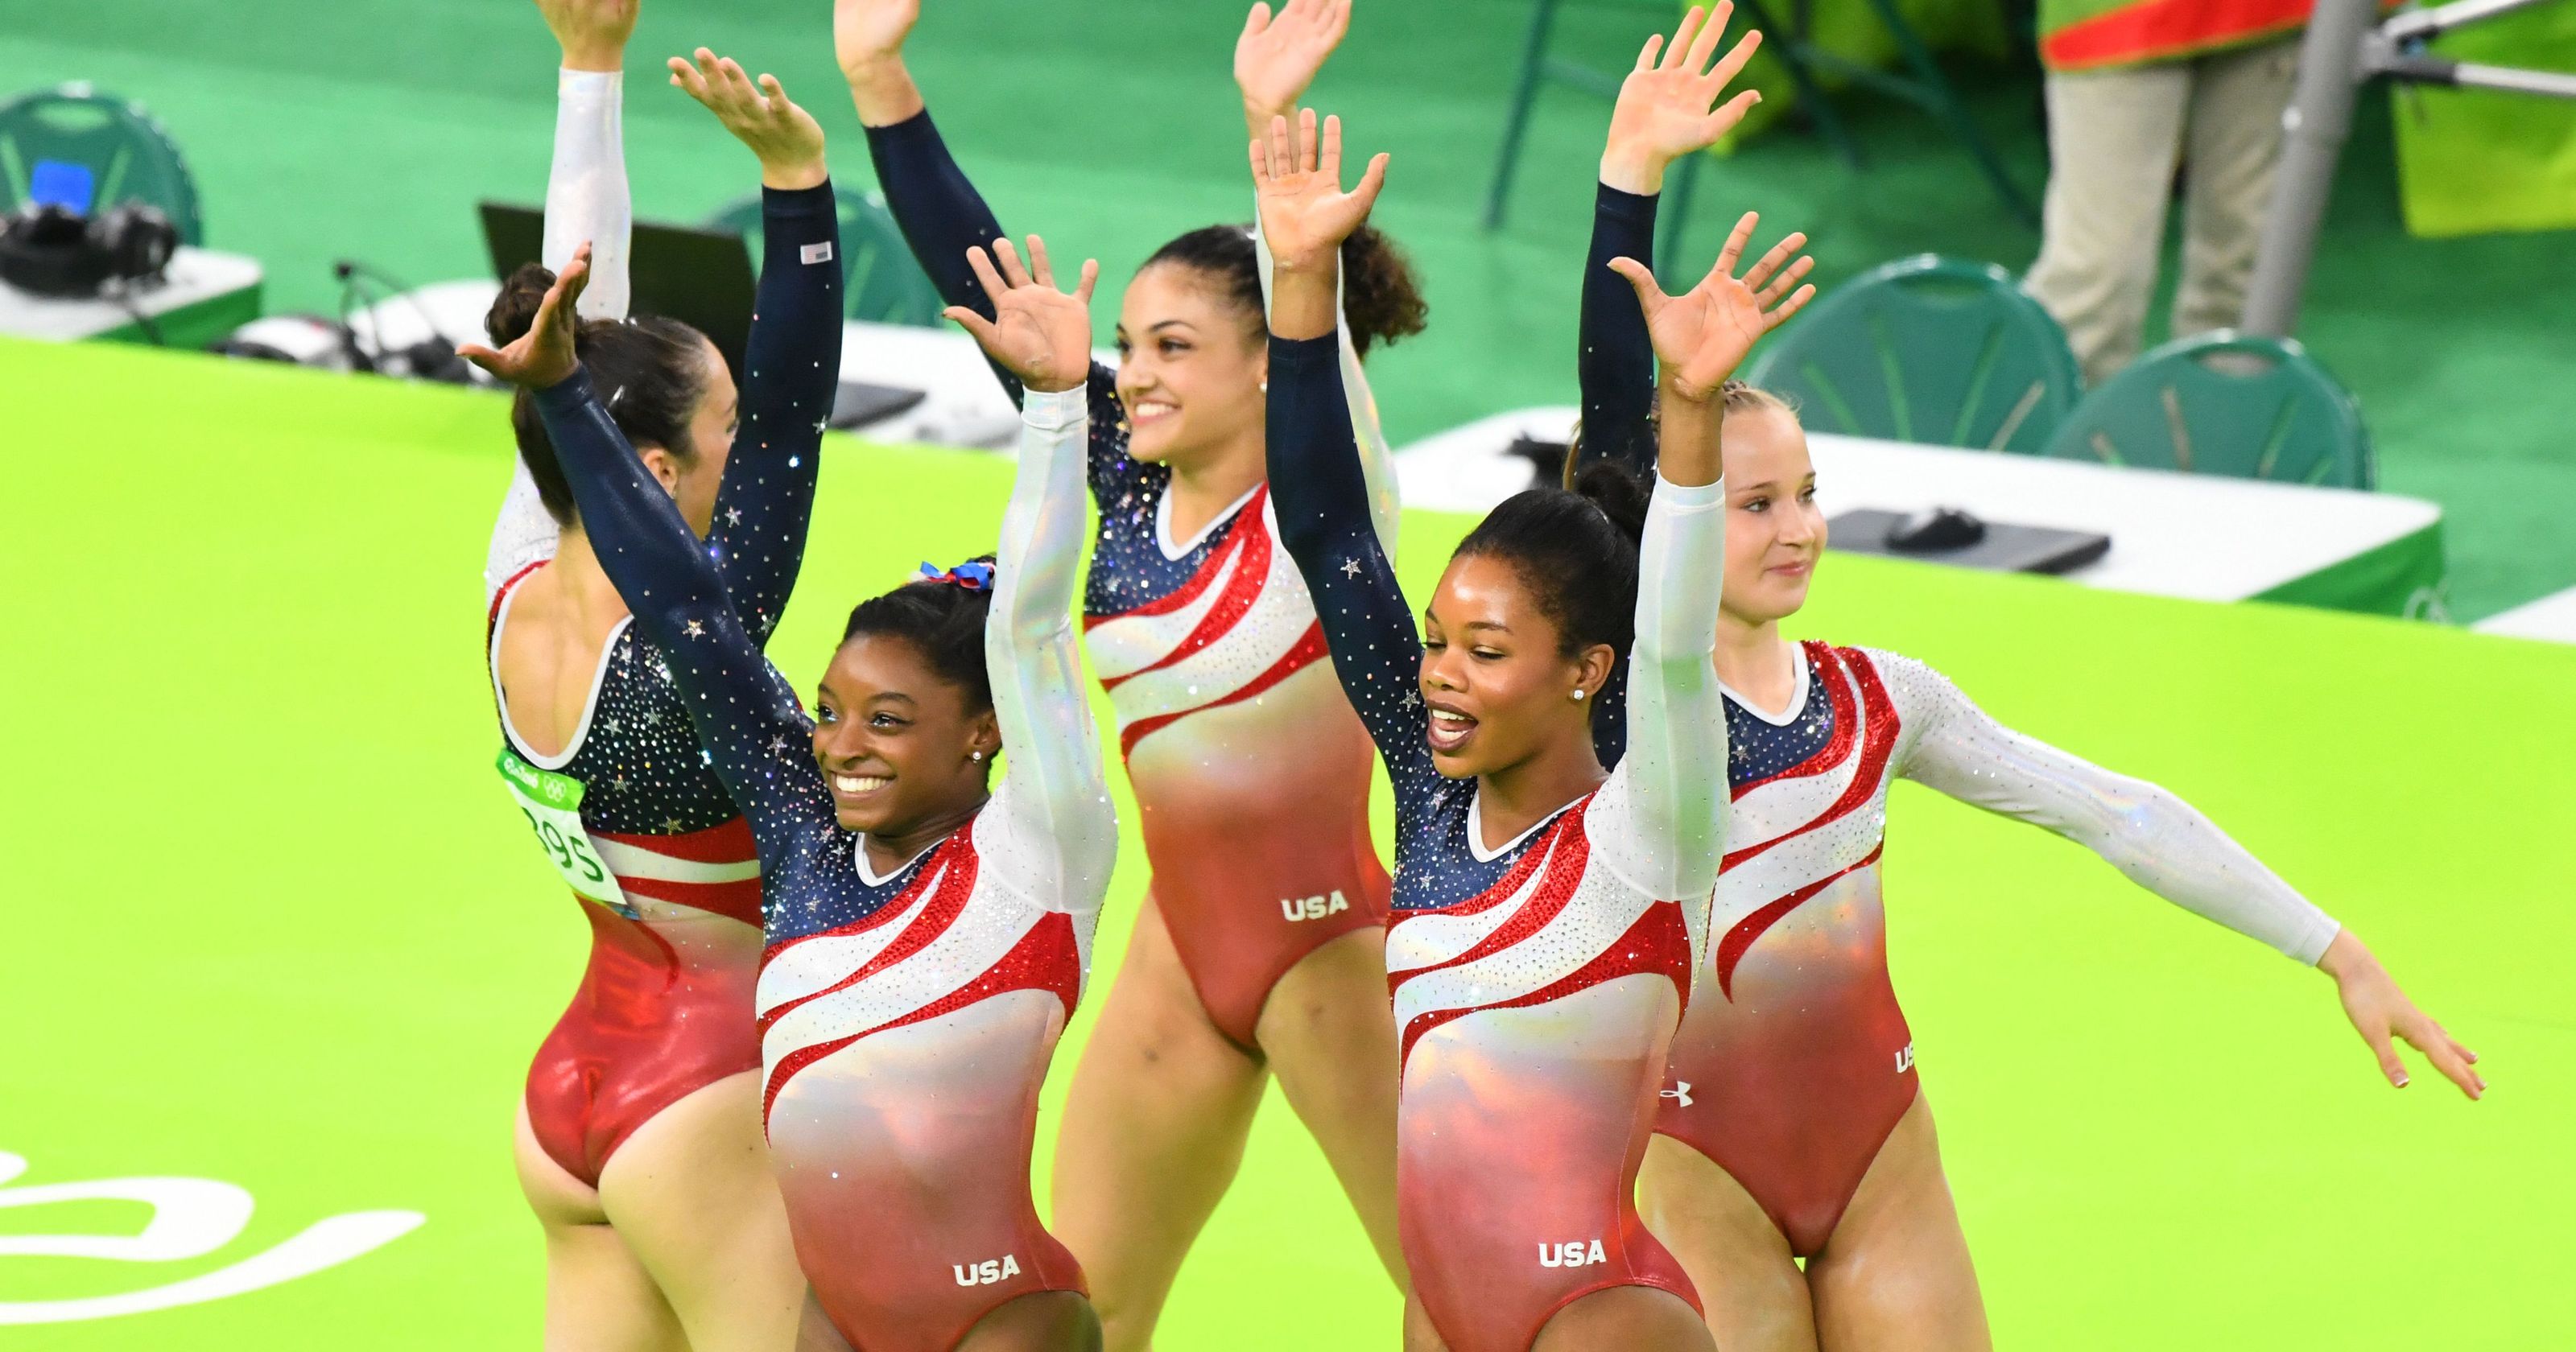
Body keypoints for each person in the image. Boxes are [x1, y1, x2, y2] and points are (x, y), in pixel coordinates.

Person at [1574, 64, 2483, 1352]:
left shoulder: (1883, 700)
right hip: (1693, 1165)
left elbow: (2114, 814)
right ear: (1683, 514)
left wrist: (2335, 949)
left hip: (1881, 1157)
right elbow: (1618, 439)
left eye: (1808, 492)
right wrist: (1632, 190)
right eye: (1754, 503)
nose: (1801, 528)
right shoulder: (1641, 709)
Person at [836, 1, 1422, 1341]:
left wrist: (1273, 135)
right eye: (1133, 344)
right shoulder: (1118, 469)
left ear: (1270, 368)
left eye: (1174, 349)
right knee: (1083, 1312)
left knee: (1471, 1306)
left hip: (1329, 955)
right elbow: (991, 285)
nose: (1136, 374)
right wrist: (882, 82)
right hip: (1179, 951)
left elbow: (1310, 326)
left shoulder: (1323, 503)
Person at [468, 219, 1118, 1350]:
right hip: (698, 1101)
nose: (840, 744)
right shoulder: (807, 840)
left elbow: (1033, 632)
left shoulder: (1034, 854)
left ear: (984, 732)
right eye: (825, 711)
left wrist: (1059, 415)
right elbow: (691, 604)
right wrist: (569, 387)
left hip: (976, 1306)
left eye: (888, 722)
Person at [1259, 105, 1812, 1351]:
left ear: (1587, 673)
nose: (1441, 676)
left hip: (1597, 1320)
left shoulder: (1647, 812)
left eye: (1488, 653)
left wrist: (1683, 390)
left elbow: (1668, 607)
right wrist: (1300, 284)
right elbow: (1330, 530)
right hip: (1440, 1316)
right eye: (1442, 639)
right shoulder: (1430, 783)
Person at [480, 13, 829, 1348]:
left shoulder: (518, 583)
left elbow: (586, 314)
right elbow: (799, 408)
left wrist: (590, 70)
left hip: (571, 1089)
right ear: (668, 470)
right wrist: (799, 192)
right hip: (703, 1093)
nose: (749, 448)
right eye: (721, 427)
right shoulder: (696, 634)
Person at [2021, 2, 2320, 384]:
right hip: (2114, 17)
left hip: (2266, 16)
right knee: (2096, 284)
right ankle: (2032, 440)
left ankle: (2221, 436)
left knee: (2244, 282)